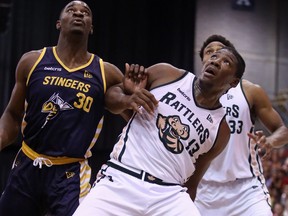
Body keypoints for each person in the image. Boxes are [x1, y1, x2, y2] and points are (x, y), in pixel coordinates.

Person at [0, 1, 156, 215]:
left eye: (86, 12)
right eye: (71, 10)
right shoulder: (32, 61)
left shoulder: (106, 72)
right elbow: (12, 114)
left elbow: (132, 120)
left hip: (70, 173)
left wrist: (130, 96)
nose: (79, 14)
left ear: (91, 27)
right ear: (58, 23)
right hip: (28, 163)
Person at [73, 46, 246, 216]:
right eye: (214, 57)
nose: (215, 62)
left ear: (234, 82)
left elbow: (192, 183)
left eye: (226, 62)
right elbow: (111, 96)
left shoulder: (222, 130)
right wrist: (128, 99)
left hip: (169, 195)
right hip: (122, 177)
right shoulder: (167, 75)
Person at [194, 34, 288, 215]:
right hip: (202, 188)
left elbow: (282, 130)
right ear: (203, 60)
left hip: (245, 189)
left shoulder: (249, 90)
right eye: (210, 53)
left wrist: (270, 142)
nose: (215, 57)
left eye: (222, 54)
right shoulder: (186, 92)